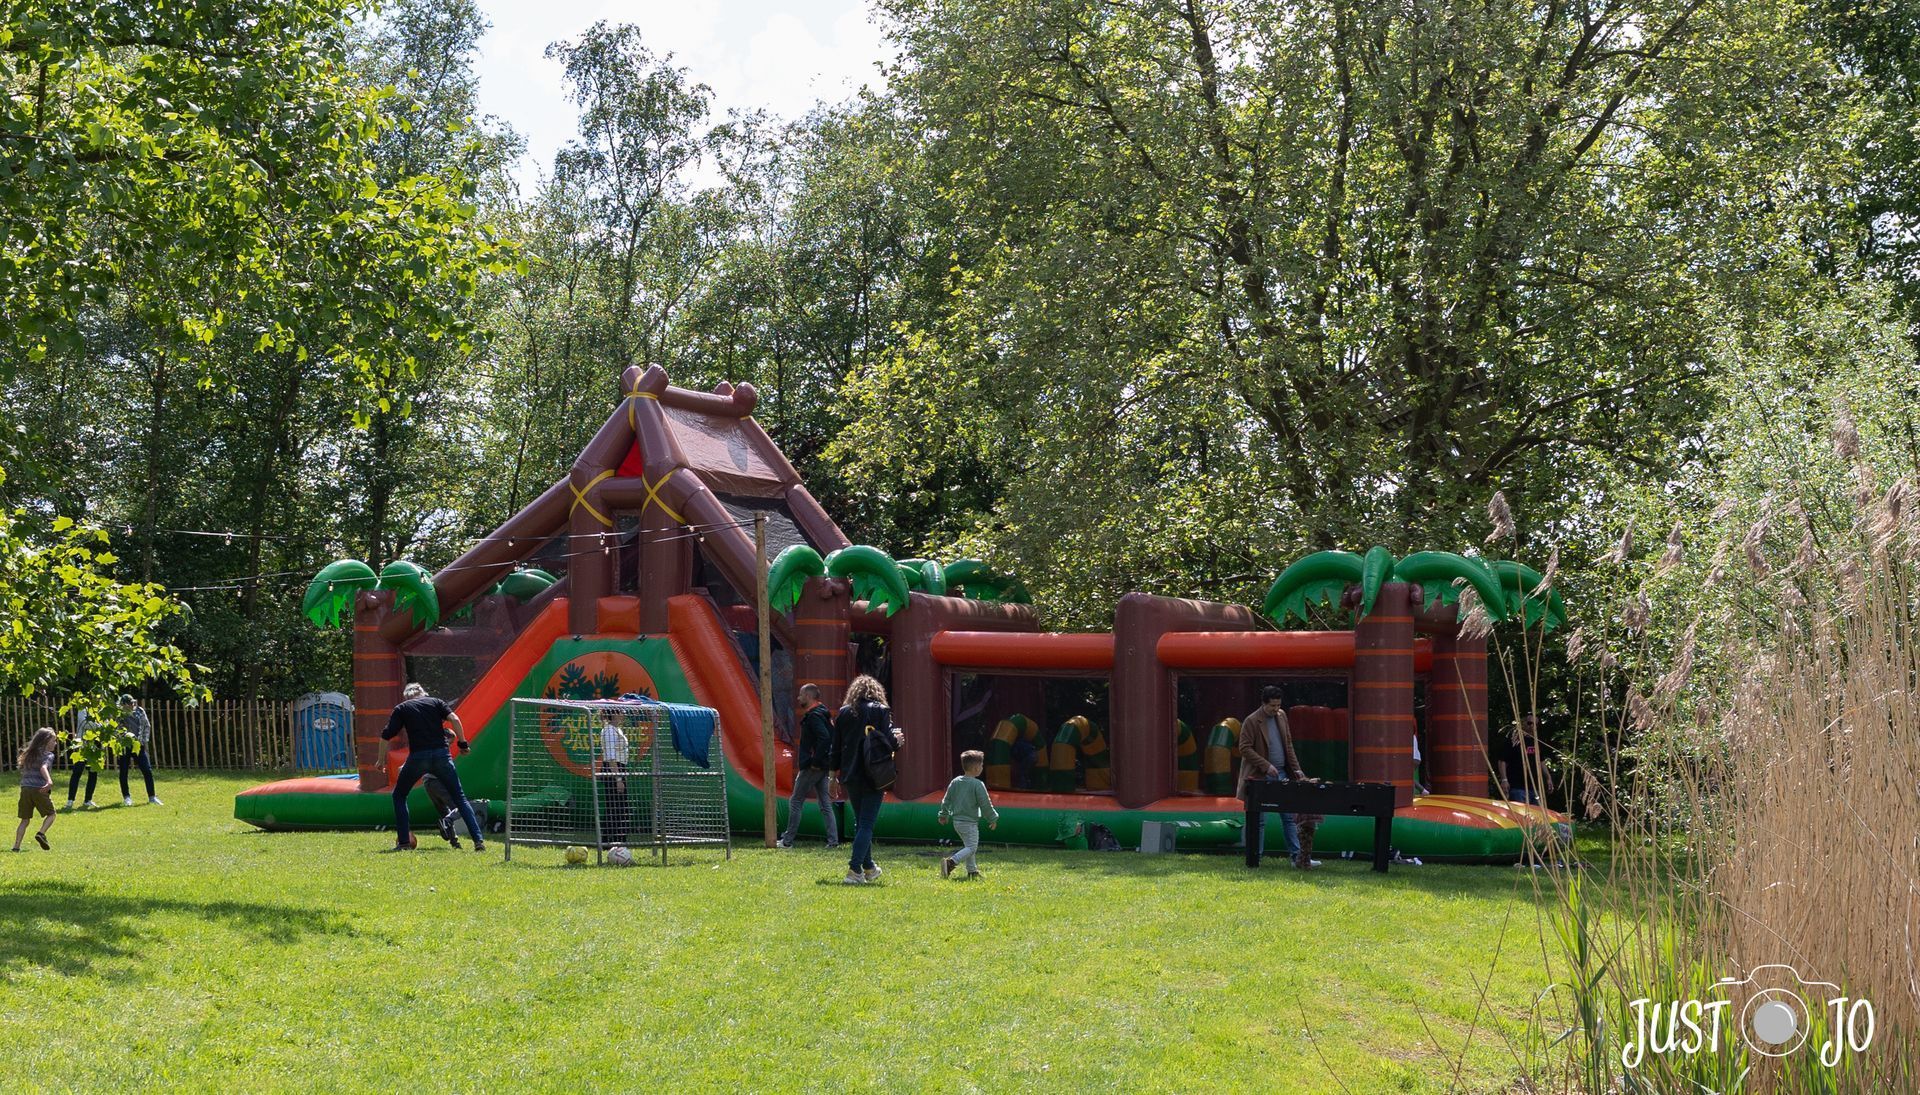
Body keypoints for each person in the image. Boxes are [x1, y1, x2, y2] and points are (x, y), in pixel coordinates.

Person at [378, 683, 485, 852]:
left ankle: (404, 843)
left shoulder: (402, 708)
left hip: (418, 757)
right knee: (460, 798)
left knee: (399, 795)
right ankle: (478, 842)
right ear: (423, 693)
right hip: (441, 756)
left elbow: (386, 735)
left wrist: (380, 760)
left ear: (407, 697)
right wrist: (463, 743)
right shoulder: (436, 702)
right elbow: (455, 719)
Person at [1237, 685, 1323, 869]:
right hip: (1260, 776)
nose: (1276, 709)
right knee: (1259, 819)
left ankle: (1297, 857)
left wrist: (1297, 771)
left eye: (1278, 705)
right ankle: (1255, 858)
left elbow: (1288, 745)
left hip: (1282, 773)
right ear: (1263, 704)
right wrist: (1265, 765)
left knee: (1290, 816)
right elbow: (1244, 748)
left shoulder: (1282, 716)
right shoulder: (1252, 721)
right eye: (1272, 706)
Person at [834, 674, 903, 884]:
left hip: (850, 774)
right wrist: (898, 740)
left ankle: (869, 867)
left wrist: (831, 775)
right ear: (876, 692)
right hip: (874, 774)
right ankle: (854, 870)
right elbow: (888, 742)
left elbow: (836, 746)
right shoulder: (880, 710)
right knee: (866, 824)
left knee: (861, 822)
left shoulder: (844, 713)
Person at [778, 684, 839, 849]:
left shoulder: (814, 716)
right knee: (825, 803)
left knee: (796, 801)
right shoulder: (823, 713)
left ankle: (787, 841)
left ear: (808, 696)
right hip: (823, 765)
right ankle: (833, 842)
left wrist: (815, 762)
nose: (798, 698)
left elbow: (824, 738)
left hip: (813, 767)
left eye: (800, 695)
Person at [938, 749, 998, 879]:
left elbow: (946, 800)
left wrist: (943, 814)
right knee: (971, 847)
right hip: (969, 823)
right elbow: (985, 803)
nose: (982, 768)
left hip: (957, 822)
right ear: (976, 768)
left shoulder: (955, 782)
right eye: (981, 765)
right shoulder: (978, 784)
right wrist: (992, 818)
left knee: (969, 846)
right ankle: (951, 863)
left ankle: (972, 871)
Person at [14, 728, 58, 851]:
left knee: (24, 820)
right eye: (54, 740)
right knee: (52, 814)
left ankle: (16, 846)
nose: (55, 743)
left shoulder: (29, 753)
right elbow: (43, 767)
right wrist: (49, 781)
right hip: (39, 789)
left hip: (25, 788)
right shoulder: (48, 755)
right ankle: (41, 833)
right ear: (46, 741)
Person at [116, 694, 161, 807]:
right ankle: (127, 797)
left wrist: (144, 741)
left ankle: (152, 797)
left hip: (138, 745)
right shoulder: (119, 714)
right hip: (124, 746)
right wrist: (122, 737)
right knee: (123, 772)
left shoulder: (140, 711)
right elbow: (116, 729)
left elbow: (147, 726)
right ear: (124, 705)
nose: (133, 705)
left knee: (147, 770)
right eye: (130, 703)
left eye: (133, 702)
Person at [1499, 716, 1553, 805]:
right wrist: (1504, 780)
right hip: (1517, 787)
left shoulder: (1536, 741)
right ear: (1523, 723)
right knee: (1520, 812)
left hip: (1535, 787)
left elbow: (1541, 761)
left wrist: (1548, 778)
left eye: (1535, 724)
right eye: (1529, 723)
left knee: (1536, 813)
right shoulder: (1514, 740)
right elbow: (1502, 761)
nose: (1532, 726)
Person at [596, 713, 630, 849]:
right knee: (615, 807)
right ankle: (609, 841)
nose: (624, 715)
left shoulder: (617, 729)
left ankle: (618, 840)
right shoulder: (609, 731)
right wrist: (618, 779)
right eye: (621, 712)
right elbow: (611, 758)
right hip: (614, 770)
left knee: (620, 807)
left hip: (619, 768)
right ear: (614, 714)